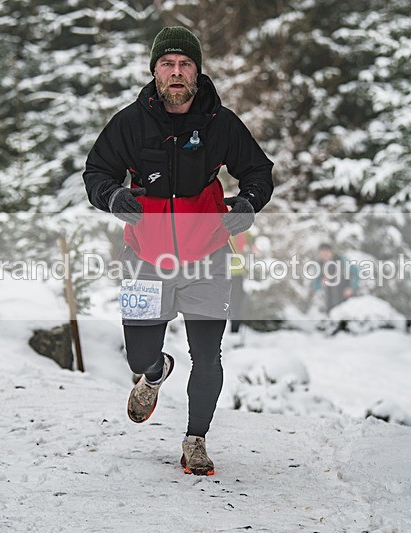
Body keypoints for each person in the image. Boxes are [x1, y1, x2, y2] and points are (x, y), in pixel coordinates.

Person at [83, 26, 274, 476]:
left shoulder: (219, 123)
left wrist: (247, 203)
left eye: (184, 64)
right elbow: (96, 172)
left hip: (207, 256)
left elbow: (259, 171)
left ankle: (195, 440)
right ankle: (154, 371)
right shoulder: (130, 122)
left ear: (196, 71)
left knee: (208, 355)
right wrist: (112, 196)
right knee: (137, 355)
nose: (176, 72)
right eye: (167, 64)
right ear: (154, 72)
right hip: (144, 258)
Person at [313, 243, 359, 314]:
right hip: (330, 302)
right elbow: (316, 285)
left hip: (346, 298)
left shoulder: (342, 260)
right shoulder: (318, 266)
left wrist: (351, 288)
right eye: (322, 252)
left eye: (327, 251)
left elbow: (356, 273)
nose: (325, 254)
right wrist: (321, 284)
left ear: (332, 251)